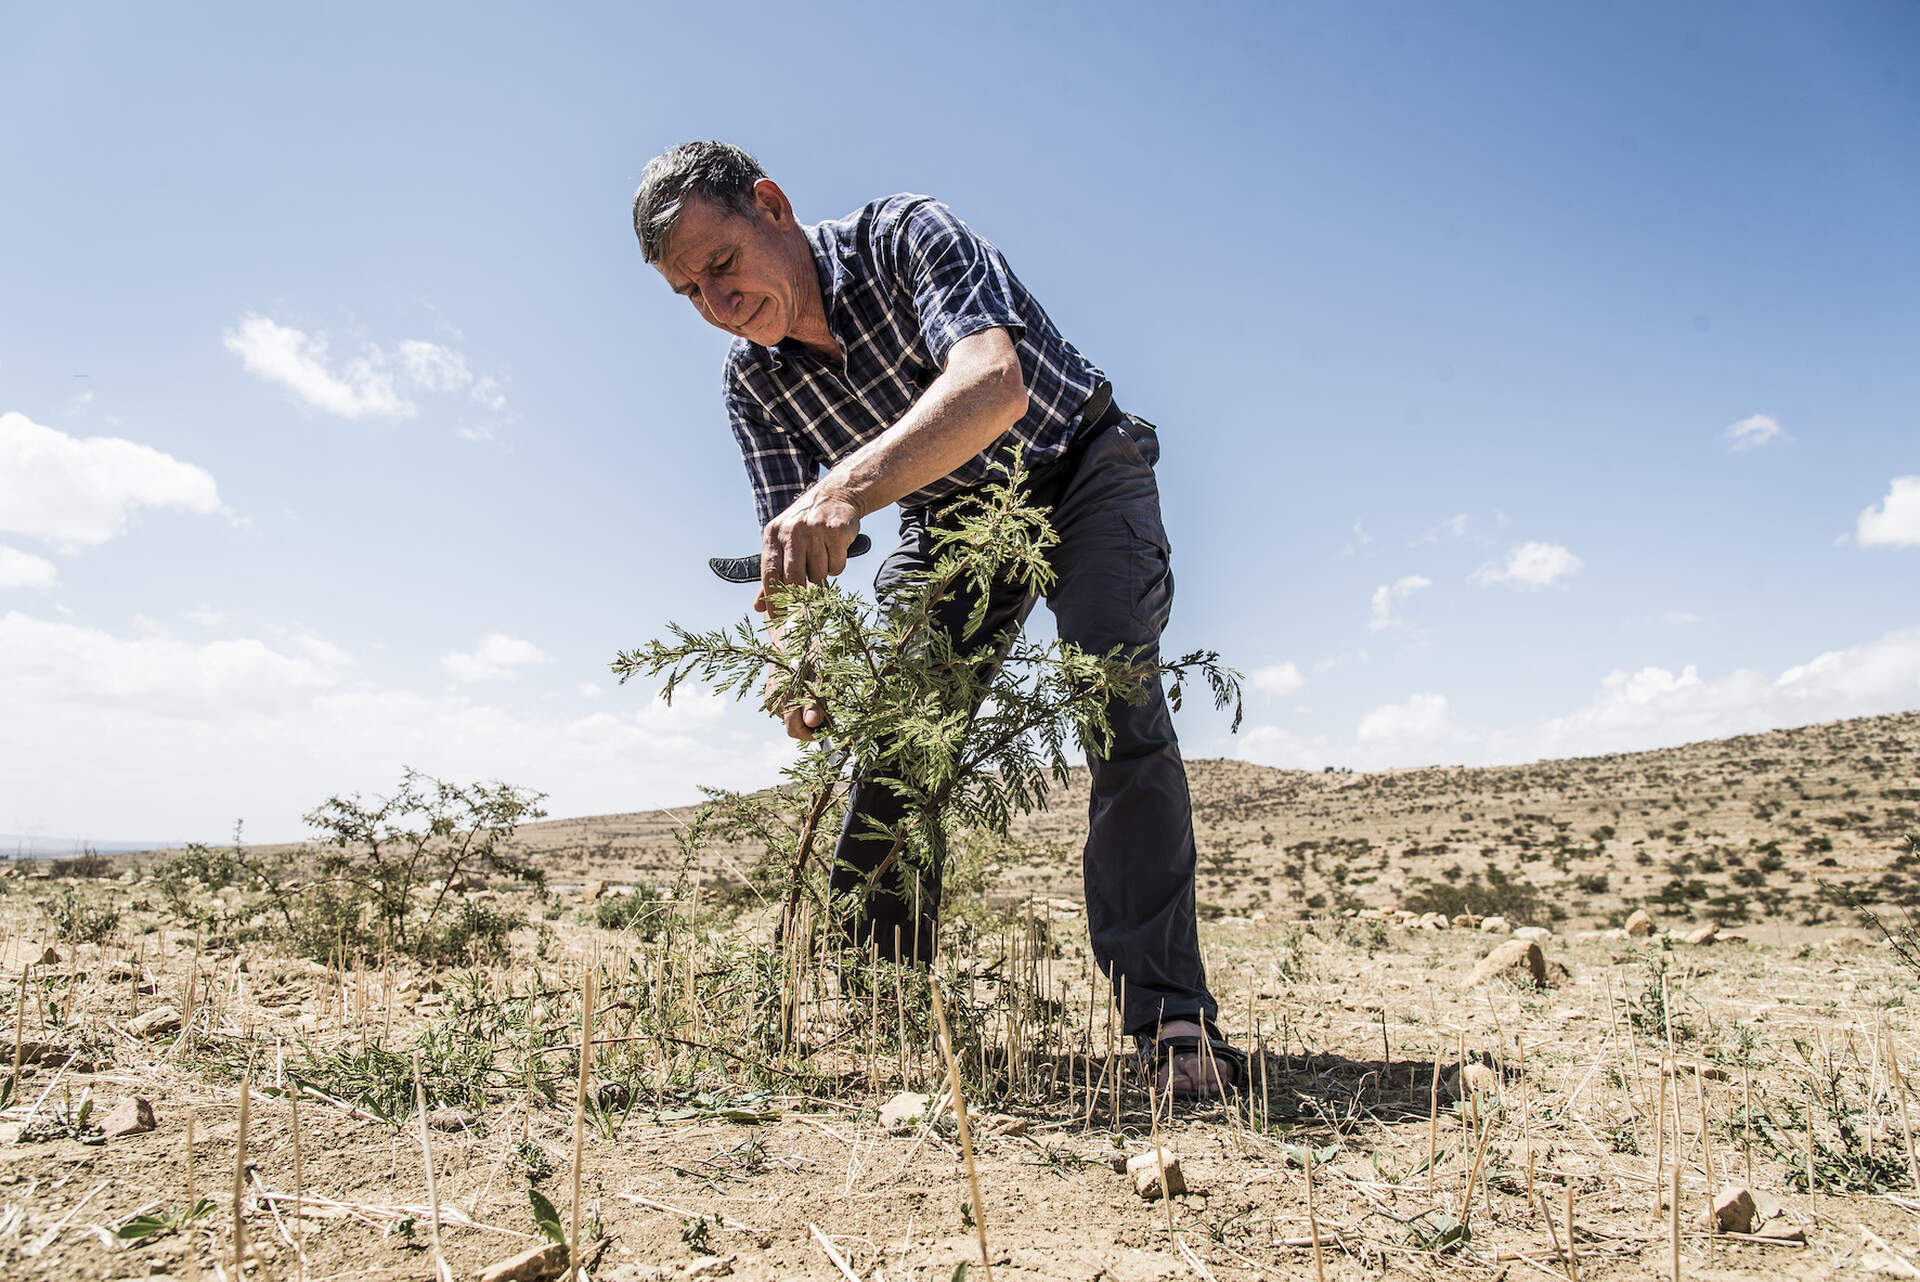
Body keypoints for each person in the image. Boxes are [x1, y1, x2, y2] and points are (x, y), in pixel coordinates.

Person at [631, 140, 1243, 1097]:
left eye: (720, 265)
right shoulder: (752, 385)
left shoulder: (904, 234)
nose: (717, 303)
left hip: (1080, 466)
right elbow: (790, 551)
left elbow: (993, 386)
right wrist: (796, 656)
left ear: (773, 206)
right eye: (688, 294)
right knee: (903, 734)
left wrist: (846, 488)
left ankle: (1172, 1020)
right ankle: (888, 1008)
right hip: (950, 521)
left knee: (1111, 696)